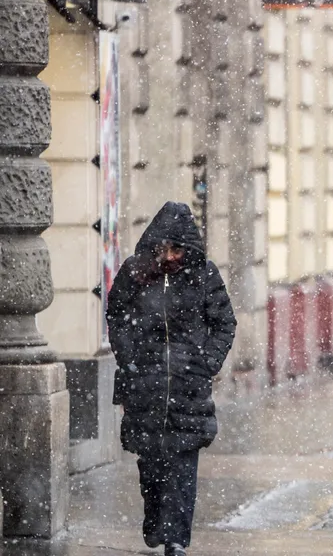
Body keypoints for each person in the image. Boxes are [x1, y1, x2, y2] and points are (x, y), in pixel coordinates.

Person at [106, 202, 236, 556]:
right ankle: (157, 527)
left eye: (177, 249)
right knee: (151, 468)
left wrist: (206, 363)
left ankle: (176, 540)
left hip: (188, 387)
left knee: (182, 468)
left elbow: (224, 323)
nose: (170, 256)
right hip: (144, 387)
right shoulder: (135, 272)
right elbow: (116, 314)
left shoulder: (203, 274)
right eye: (165, 248)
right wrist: (129, 358)